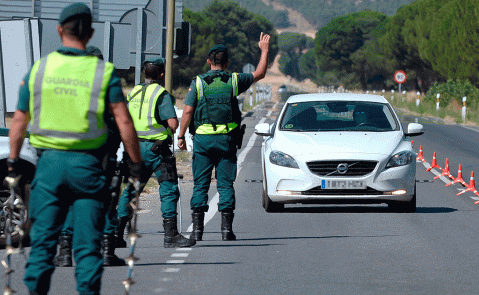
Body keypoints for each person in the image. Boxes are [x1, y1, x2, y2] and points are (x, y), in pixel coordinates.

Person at [7, 3, 144, 294]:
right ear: (91, 33)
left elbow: (19, 119)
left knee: (43, 241)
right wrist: (135, 163)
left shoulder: (40, 69)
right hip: (89, 168)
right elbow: (123, 120)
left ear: (59, 31)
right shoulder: (103, 72)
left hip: (49, 168)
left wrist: (14, 161)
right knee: (88, 246)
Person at [177, 33, 271, 241]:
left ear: (209, 62)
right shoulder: (234, 80)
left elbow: (187, 111)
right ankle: (226, 231)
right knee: (225, 184)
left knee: (200, 184)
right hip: (227, 140)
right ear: (227, 62)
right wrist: (264, 50)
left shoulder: (199, 83)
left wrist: (181, 136)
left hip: (202, 142)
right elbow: (260, 73)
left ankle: (198, 231)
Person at [53, 45, 126, 268]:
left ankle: (65, 253)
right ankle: (106, 252)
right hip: (103, 157)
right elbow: (122, 122)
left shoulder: (71, 87)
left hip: (73, 156)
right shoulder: (109, 86)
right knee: (106, 202)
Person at [116, 58, 195, 249]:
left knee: (131, 190)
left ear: (145, 73)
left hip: (135, 149)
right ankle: (171, 236)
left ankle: (116, 234)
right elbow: (173, 124)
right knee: (168, 190)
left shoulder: (133, 91)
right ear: (161, 74)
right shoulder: (161, 94)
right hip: (157, 151)